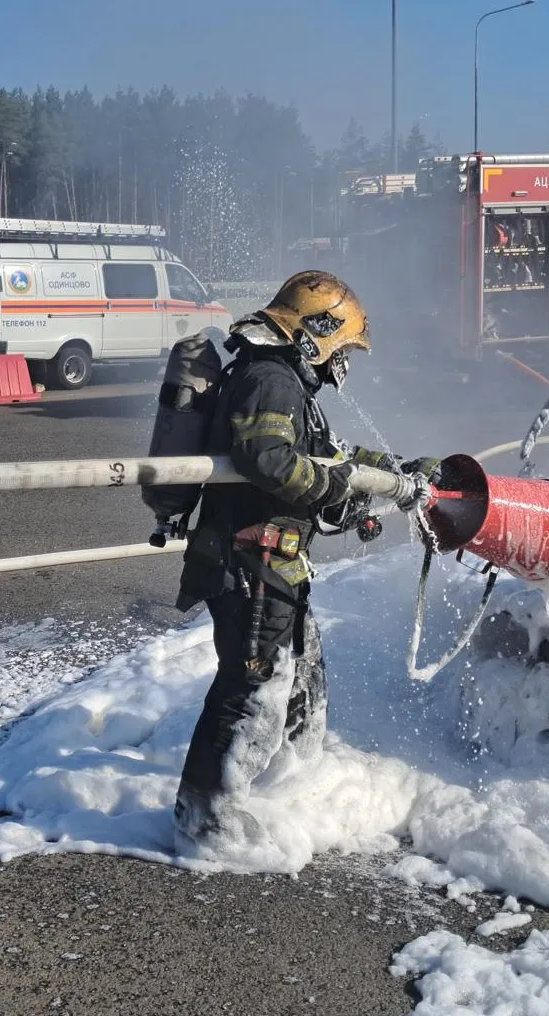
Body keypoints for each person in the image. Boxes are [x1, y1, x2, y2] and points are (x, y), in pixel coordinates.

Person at [172, 270, 433, 858]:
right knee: (251, 683)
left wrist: (401, 472)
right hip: (250, 560)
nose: (345, 362)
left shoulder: (283, 380)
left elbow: (329, 455)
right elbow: (268, 460)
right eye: (343, 347)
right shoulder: (271, 379)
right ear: (317, 332)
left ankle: (284, 784)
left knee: (298, 676)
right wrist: (333, 490)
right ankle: (204, 817)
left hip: (271, 562)